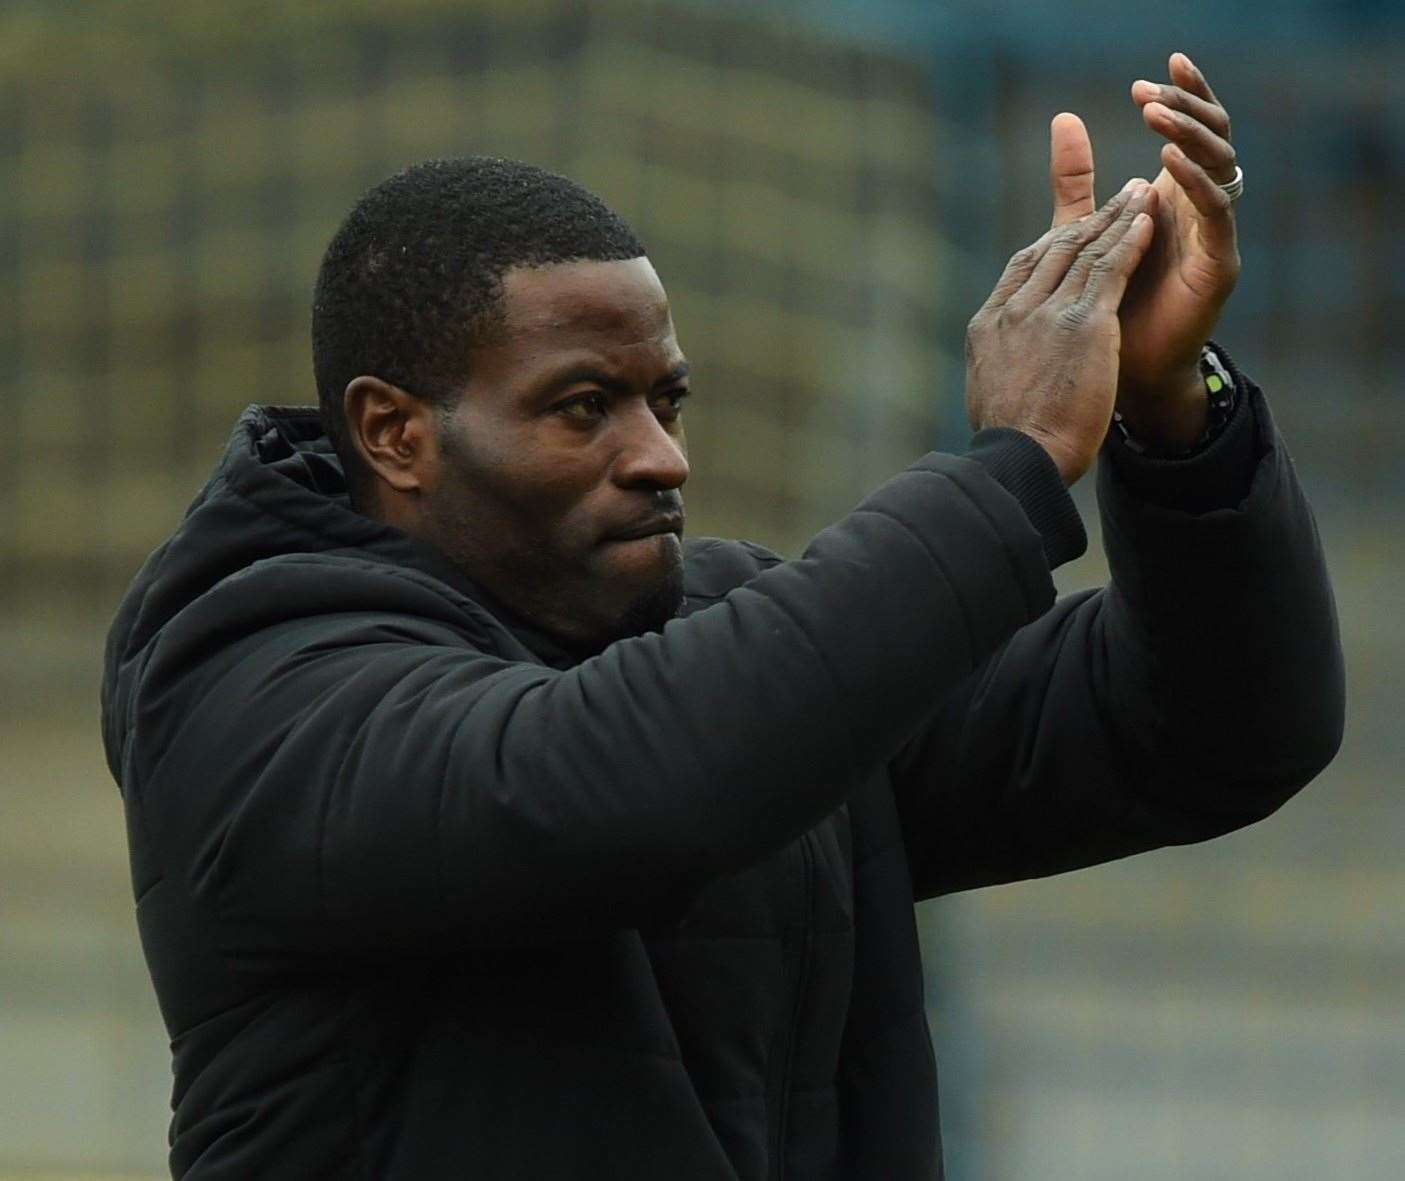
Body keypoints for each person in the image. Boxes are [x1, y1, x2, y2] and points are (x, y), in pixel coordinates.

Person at [102, 53, 1342, 1180]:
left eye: (667, 400)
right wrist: (1009, 466)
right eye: (584, 406)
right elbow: (609, 785)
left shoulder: (731, 645)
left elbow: (1219, 729)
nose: (660, 457)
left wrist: (1170, 410)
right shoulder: (251, 680)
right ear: (395, 431)